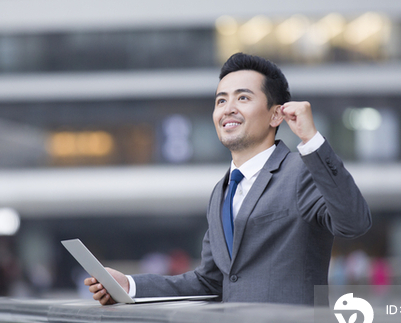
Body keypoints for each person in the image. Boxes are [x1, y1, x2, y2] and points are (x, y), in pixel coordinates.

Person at [85, 53, 371, 305]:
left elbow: (354, 222)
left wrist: (311, 140)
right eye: (221, 100)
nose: (228, 108)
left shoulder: (302, 171)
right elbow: (211, 282)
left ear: (276, 115)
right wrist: (130, 286)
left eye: (243, 97)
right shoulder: (221, 192)